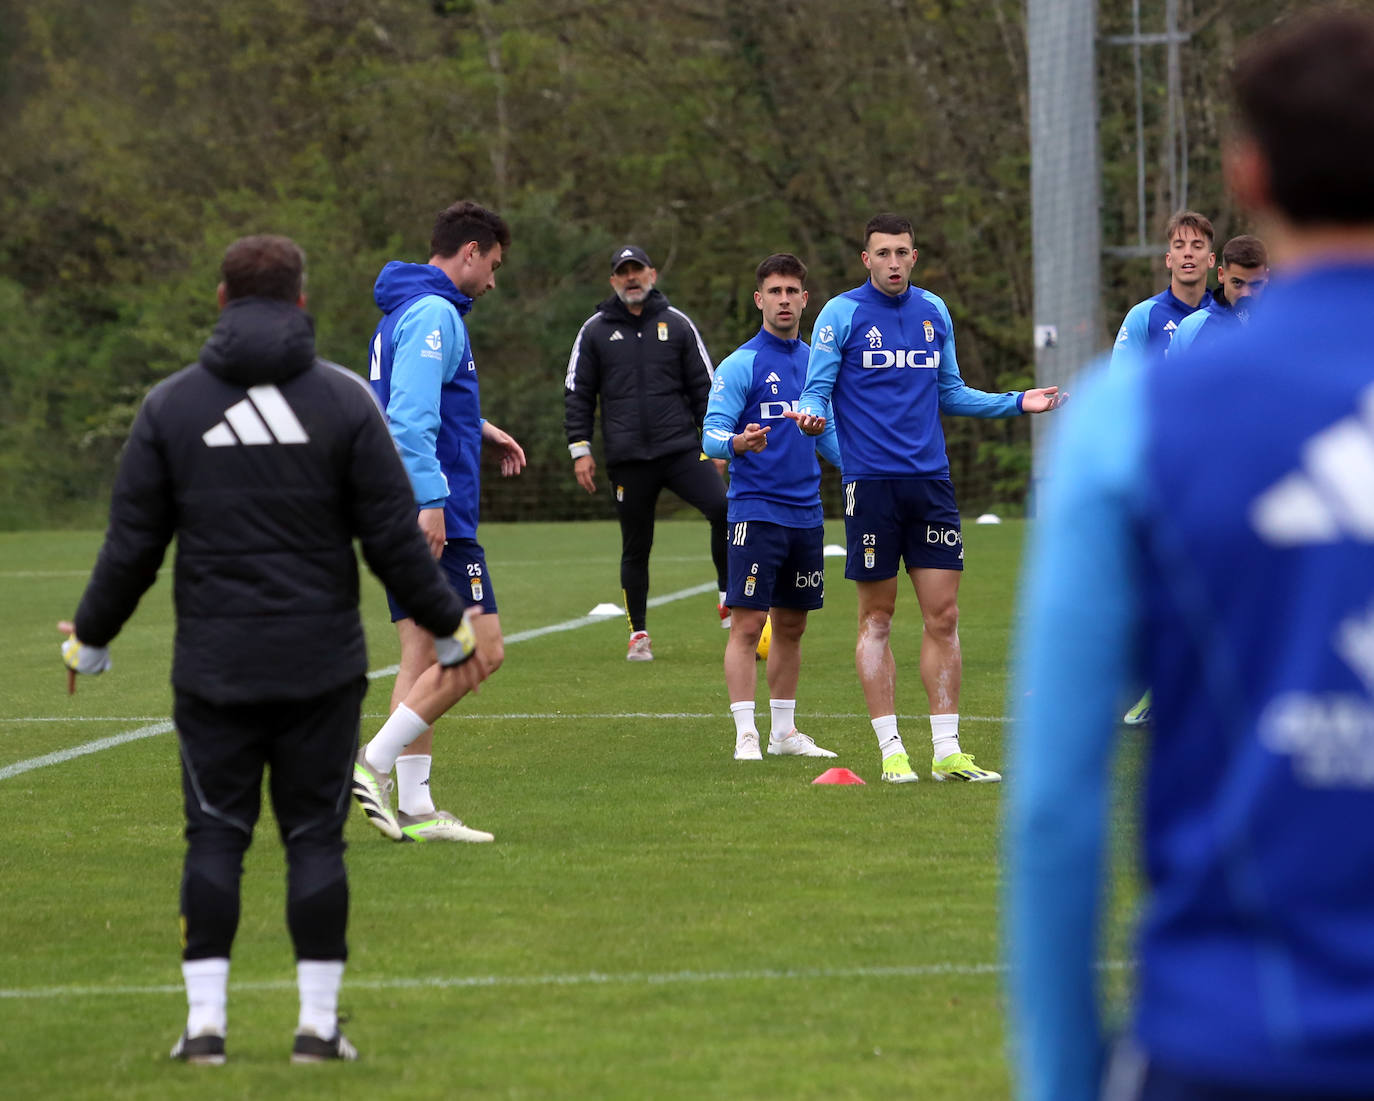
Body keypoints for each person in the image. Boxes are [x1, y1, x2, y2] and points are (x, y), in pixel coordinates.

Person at [1008, 9, 1374, 1099]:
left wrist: (1068, 1079)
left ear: (1248, 174)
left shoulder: (1132, 422)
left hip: (1232, 1047)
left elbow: (1055, 803)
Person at [57, 235, 488, 1064]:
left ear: (220, 301)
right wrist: (448, 627)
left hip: (214, 669)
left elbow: (131, 549)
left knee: (215, 838)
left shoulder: (171, 407)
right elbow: (393, 539)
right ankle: (318, 1031)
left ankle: (206, 1030)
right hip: (319, 668)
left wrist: (92, 644)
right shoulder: (341, 402)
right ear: (300, 304)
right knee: (314, 841)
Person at [793, 214, 1065, 783]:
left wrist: (1018, 403)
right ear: (865, 260)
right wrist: (813, 421)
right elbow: (815, 393)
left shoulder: (934, 311)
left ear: (915, 257)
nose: (894, 262)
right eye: (883, 253)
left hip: (931, 484)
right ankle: (892, 751)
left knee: (944, 616)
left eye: (903, 252)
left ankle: (947, 753)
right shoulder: (840, 315)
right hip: (870, 485)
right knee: (878, 617)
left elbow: (952, 392)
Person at [351, 201, 525, 845]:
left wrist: (478, 427)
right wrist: (431, 501)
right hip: (434, 506)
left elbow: (403, 397)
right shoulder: (433, 313)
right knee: (481, 649)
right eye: (494, 266)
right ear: (471, 251)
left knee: (423, 653)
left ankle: (418, 808)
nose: (493, 281)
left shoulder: (404, 309)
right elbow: (407, 418)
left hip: (396, 500)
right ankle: (372, 763)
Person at [702, 253, 843, 762]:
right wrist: (738, 443)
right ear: (760, 299)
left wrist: (865, 469)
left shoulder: (817, 366)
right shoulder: (741, 364)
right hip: (755, 512)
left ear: (805, 300)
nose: (784, 300)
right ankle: (746, 735)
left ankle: (783, 734)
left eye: (792, 292)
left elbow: (829, 440)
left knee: (791, 625)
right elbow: (711, 435)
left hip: (807, 514)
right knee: (746, 625)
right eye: (775, 292)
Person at [564, 244, 729, 661]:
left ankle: (728, 596)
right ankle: (639, 634)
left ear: (652, 275)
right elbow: (577, 395)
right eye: (623, 272)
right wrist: (580, 450)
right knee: (636, 547)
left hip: (681, 450)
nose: (631, 277)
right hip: (628, 459)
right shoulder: (595, 330)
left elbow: (704, 388)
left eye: (638, 270)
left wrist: (717, 440)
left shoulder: (677, 325)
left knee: (725, 509)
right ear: (613, 281)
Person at [1112, 210, 1217, 726]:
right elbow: (1122, 391)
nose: (1190, 252)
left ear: (1213, 259)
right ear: (1168, 258)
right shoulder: (1145, 318)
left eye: (1199, 244)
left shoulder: (1233, 317)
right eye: (1181, 244)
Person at [1169, 234, 1270, 356]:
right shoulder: (1192, 328)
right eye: (1237, 283)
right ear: (1221, 275)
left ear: (1266, 277)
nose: (1246, 294)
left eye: (1255, 285)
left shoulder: (1286, 326)